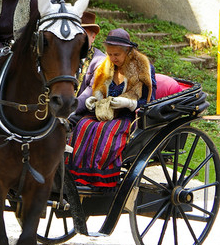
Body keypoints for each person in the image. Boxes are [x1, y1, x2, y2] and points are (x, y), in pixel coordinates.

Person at [66, 28, 157, 190]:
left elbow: (149, 100)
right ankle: (78, 176)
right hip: (105, 112)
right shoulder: (106, 66)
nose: (113, 58)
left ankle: (100, 179)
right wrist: (94, 100)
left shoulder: (142, 67)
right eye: (110, 54)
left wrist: (128, 103)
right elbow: (100, 90)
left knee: (105, 131)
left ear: (128, 51)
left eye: (117, 55)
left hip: (129, 116)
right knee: (83, 125)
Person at [69, 11, 106, 126]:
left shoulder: (100, 61)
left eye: (82, 35)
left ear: (93, 37)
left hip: (85, 110)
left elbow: (91, 91)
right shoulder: (66, 55)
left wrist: (69, 110)